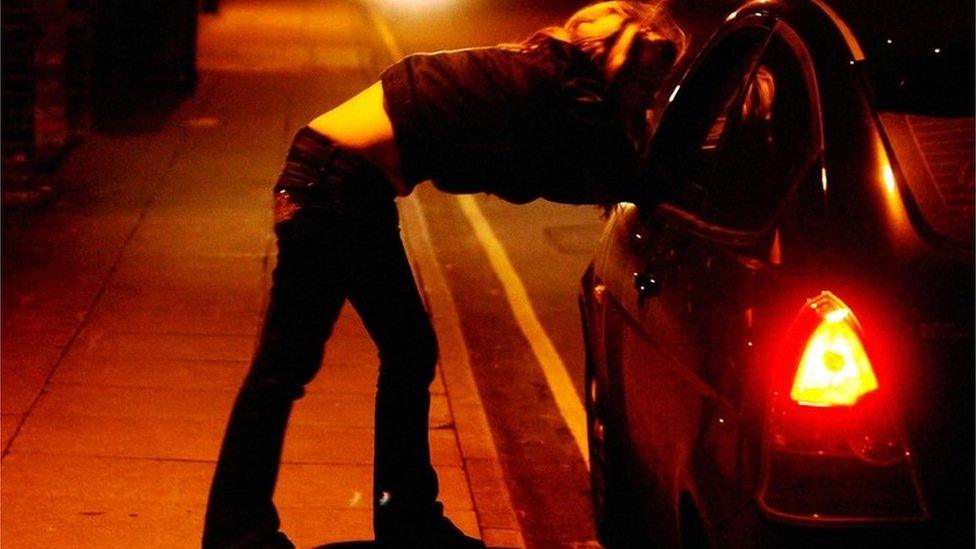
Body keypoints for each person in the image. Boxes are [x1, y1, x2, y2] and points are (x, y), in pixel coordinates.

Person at [202, 2, 686, 547]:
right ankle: (242, 532)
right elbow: (627, 176)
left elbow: (544, 171)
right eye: (649, 82)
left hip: (343, 181)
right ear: (622, 65)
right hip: (331, 183)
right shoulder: (575, 95)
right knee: (286, 367)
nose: (651, 99)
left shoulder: (543, 73)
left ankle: (401, 518)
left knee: (399, 351)